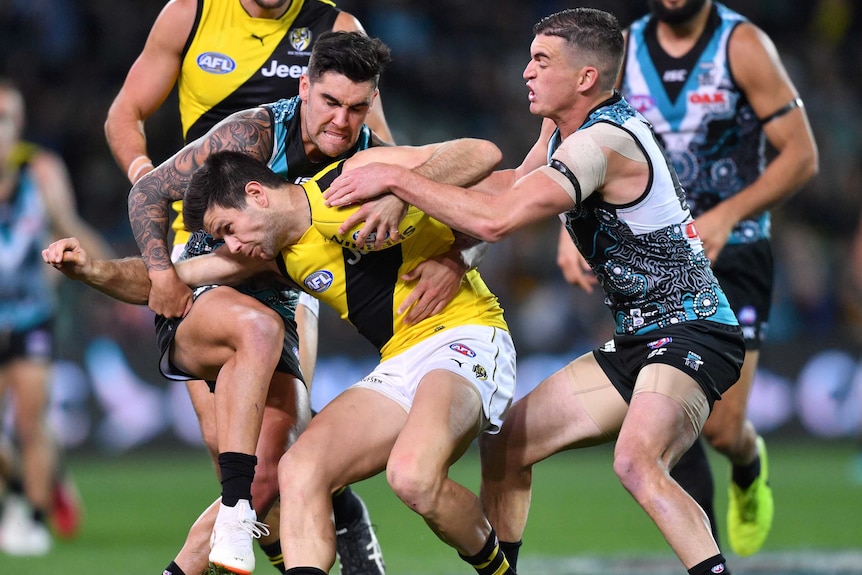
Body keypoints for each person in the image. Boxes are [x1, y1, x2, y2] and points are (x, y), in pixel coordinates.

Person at [323, 8, 747, 575]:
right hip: (639, 340)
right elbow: (509, 192)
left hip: (694, 329)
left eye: (541, 60)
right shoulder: (561, 132)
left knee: (636, 461)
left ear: (585, 78)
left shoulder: (604, 142)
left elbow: (500, 217)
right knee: (507, 442)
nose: (525, 71)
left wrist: (399, 178)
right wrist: (451, 243)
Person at [44, 137, 515, 575]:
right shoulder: (273, 254)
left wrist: (400, 189)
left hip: (467, 337)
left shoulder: (353, 178)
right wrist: (91, 270)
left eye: (227, 228)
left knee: (411, 477)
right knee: (296, 470)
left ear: (257, 194)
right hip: (398, 361)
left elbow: (482, 155)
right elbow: (167, 278)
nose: (231, 244)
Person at [105, 1, 393, 570]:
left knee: (275, 448)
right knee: (231, 455)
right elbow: (124, 115)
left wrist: (389, 198)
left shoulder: (334, 29)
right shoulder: (190, 13)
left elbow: (374, 141)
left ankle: (329, 515)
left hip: (291, 259)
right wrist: (157, 183)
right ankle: (331, 516)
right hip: (203, 253)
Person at [556, 0, 819, 555]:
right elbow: (584, 139)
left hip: (734, 251)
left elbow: (802, 155)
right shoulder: (623, 49)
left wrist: (727, 215)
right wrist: (567, 224)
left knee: (723, 430)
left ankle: (748, 464)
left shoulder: (741, 47)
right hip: (654, 259)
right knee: (669, 413)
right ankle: (707, 555)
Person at [0, 79, 109, 555]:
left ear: (18, 125)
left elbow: (67, 225)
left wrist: (115, 276)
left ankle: (30, 516)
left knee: (31, 418)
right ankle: (37, 483)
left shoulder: (39, 171)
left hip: (29, 317)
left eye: (6, 118)